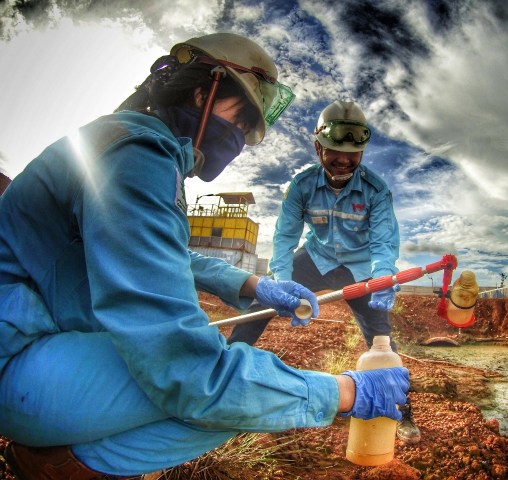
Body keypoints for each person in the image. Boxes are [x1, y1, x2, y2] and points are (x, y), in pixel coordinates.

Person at [0, 33, 409, 479]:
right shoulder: (140, 156)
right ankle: (63, 466)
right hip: (17, 359)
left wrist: (252, 284)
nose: (248, 137)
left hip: (34, 339)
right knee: (230, 398)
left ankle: (60, 452)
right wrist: (344, 392)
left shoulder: (129, 145)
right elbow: (189, 370)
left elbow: (153, 250)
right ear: (203, 91)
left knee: (253, 375)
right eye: (245, 118)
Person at [227, 100, 421, 444]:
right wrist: (281, 279)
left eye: (354, 153)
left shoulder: (376, 191)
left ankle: (400, 409)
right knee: (260, 305)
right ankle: (223, 377)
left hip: (361, 266)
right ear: (319, 147)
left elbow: (383, 241)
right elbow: (285, 236)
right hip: (316, 258)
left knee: (379, 334)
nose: (344, 159)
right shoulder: (302, 186)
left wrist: (383, 277)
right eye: (335, 151)